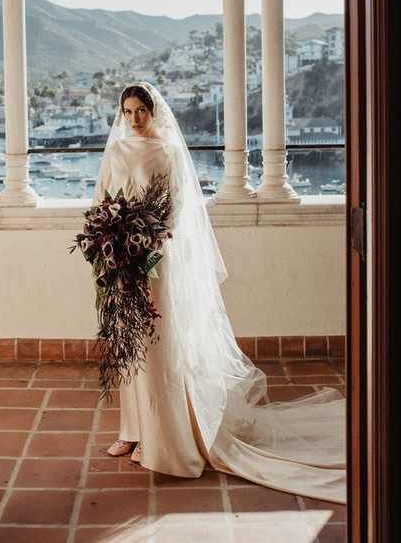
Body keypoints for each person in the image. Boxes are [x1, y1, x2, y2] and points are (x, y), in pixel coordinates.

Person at [92, 81, 350, 503]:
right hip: (120, 260)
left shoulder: (169, 153)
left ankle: (159, 437)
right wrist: (111, 242)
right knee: (129, 345)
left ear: (154, 111)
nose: (135, 118)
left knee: (157, 348)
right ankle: (132, 431)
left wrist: (145, 240)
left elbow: (175, 209)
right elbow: (103, 200)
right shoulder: (117, 152)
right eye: (128, 111)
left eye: (141, 109)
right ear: (120, 114)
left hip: (156, 259)